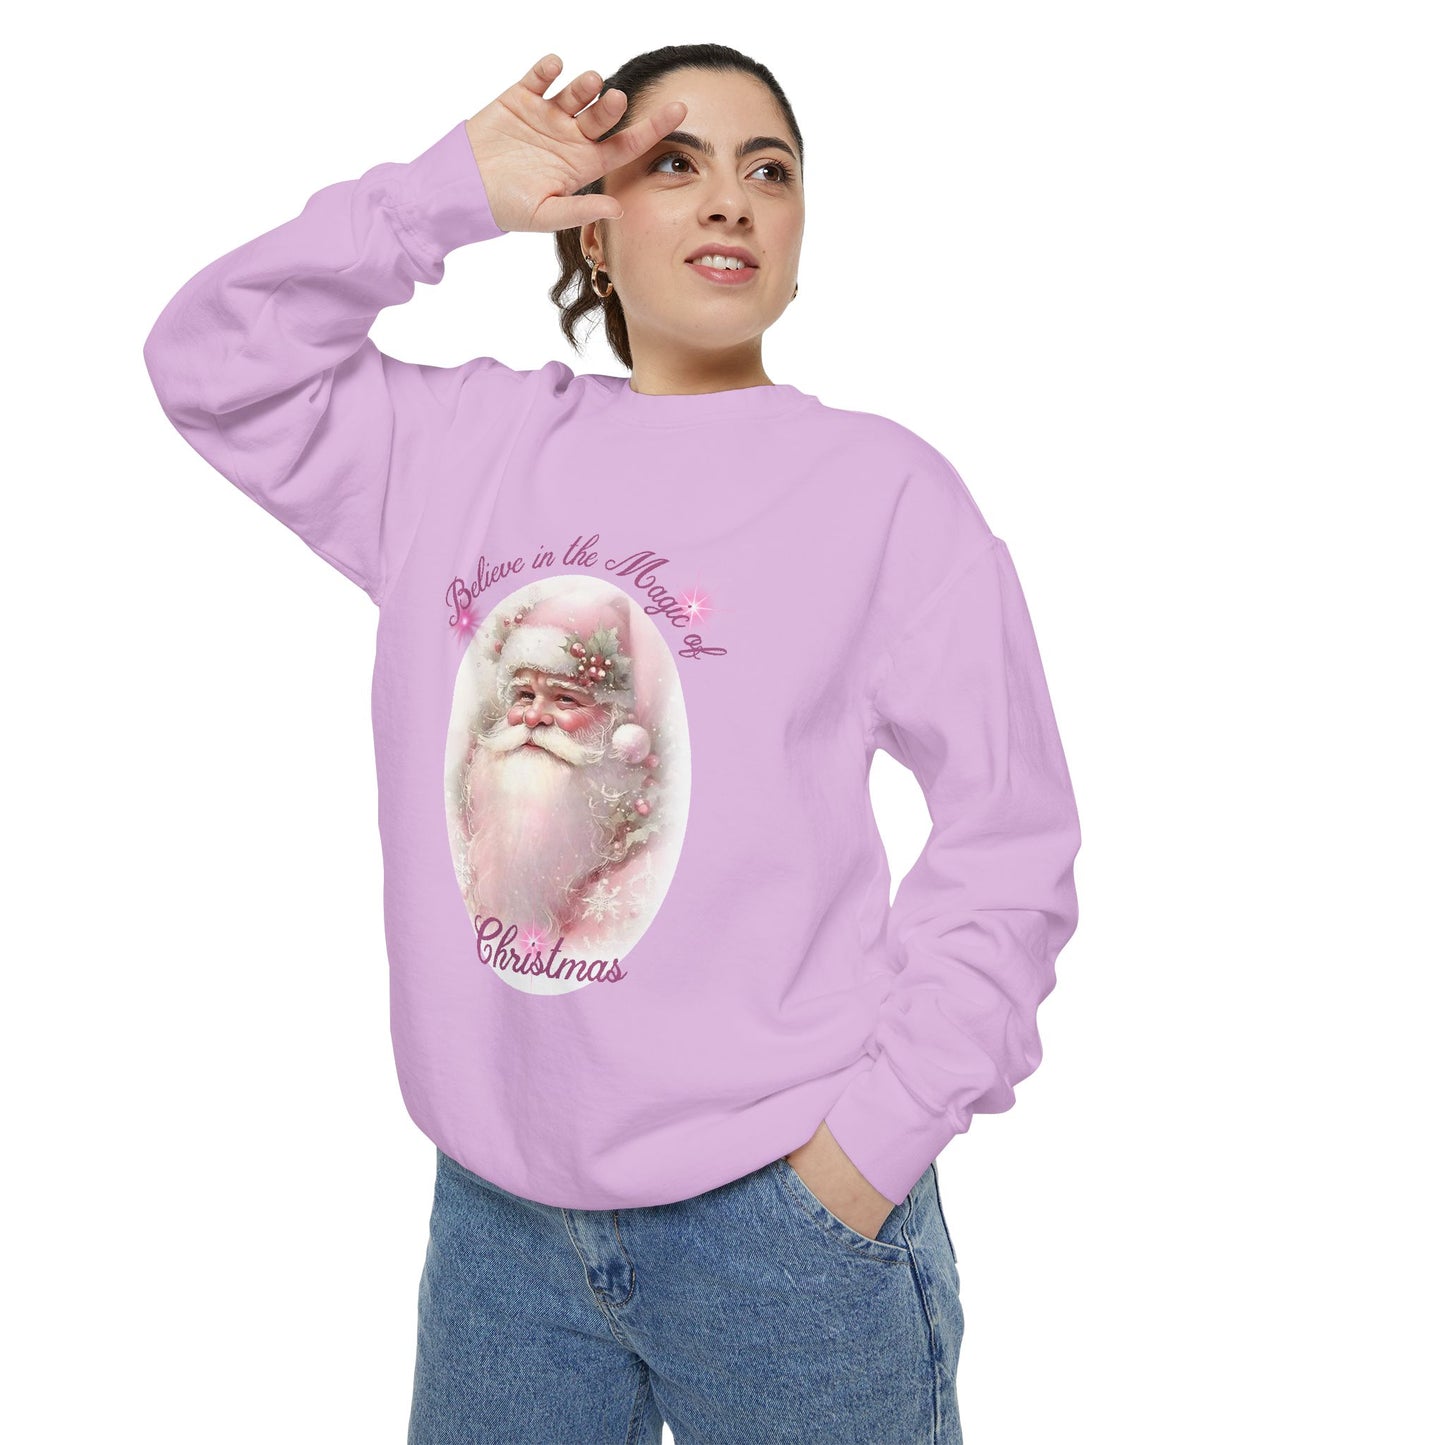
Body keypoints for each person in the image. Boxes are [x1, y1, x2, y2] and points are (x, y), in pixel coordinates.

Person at [142, 43, 1082, 1445]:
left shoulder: (883, 492)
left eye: (770, 171)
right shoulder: (456, 450)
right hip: (498, 1226)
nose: (731, 200)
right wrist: (443, 195)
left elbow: (1010, 835)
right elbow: (213, 363)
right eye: (674, 163)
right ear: (591, 222)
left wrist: (870, 1149)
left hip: (784, 1219)